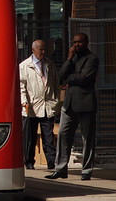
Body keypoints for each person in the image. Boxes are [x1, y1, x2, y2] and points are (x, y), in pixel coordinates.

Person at [46, 32, 99, 181]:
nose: (76, 45)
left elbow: (85, 77)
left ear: (86, 43)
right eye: (74, 42)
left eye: (80, 42)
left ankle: (86, 170)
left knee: (87, 138)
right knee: (63, 134)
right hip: (69, 103)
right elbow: (61, 75)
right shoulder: (72, 59)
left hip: (85, 103)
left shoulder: (92, 58)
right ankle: (61, 169)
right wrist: (69, 60)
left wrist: (69, 79)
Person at [19, 40, 59, 170]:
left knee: (48, 136)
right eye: (41, 50)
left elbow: (55, 83)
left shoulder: (50, 65)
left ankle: (51, 161)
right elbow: (21, 86)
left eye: (44, 50)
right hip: (30, 107)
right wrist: (24, 101)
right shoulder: (24, 66)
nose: (43, 52)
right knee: (29, 138)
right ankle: (29, 162)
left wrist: (55, 101)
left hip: (47, 106)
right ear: (33, 50)